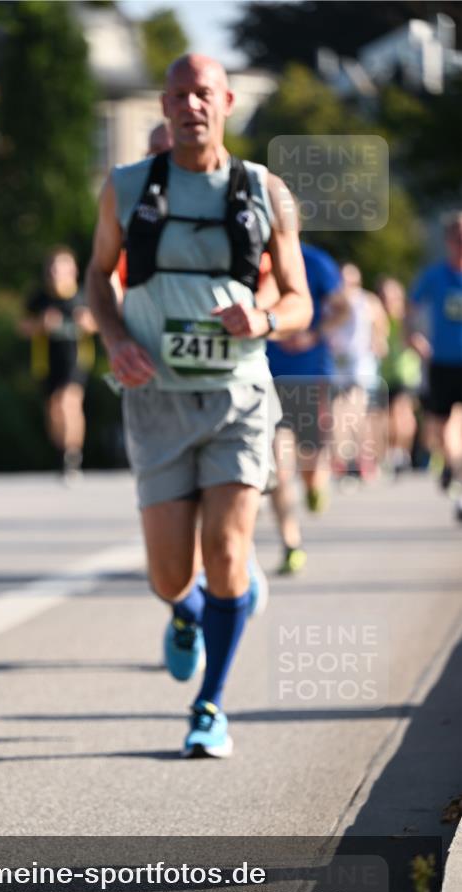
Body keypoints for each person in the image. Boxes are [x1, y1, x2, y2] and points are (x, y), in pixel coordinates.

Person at [86, 54, 312, 758]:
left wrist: (264, 322)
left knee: (227, 552)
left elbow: (300, 300)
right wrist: (116, 337)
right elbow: (97, 277)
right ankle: (186, 613)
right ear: (164, 103)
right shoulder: (125, 188)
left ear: (227, 101)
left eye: (204, 94)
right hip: (154, 399)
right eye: (179, 94)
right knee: (168, 576)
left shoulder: (264, 192)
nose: (192, 105)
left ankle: (209, 705)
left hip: (236, 397)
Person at [261, 242, 347, 574]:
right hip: (266, 376)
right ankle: (290, 543)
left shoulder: (316, 261)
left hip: (309, 375)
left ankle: (314, 486)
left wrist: (313, 335)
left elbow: (342, 309)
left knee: (309, 460)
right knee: (278, 466)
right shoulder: (253, 258)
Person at [22, 247, 96, 481]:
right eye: (53, 267)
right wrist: (40, 325)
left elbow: (100, 324)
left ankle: (73, 455)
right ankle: (62, 453)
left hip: (76, 360)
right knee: (54, 410)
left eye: (62, 267)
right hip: (46, 362)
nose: (57, 272)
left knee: (69, 403)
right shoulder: (39, 297)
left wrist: (89, 323)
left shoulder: (83, 296)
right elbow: (22, 327)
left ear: (73, 270)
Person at [407, 212, 462, 519]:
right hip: (442, 362)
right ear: (448, 241)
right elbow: (410, 308)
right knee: (439, 430)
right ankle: (451, 466)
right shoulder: (435, 275)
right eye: (456, 237)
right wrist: (412, 337)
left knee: (458, 426)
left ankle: (457, 478)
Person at [328, 263, 389, 480]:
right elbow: (324, 327)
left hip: (361, 363)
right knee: (337, 412)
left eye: (351, 280)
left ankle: (361, 458)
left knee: (355, 409)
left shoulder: (367, 301)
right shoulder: (332, 301)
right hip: (337, 363)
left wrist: (378, 340)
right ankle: (343, 458)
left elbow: (382, 324)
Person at [376, 276, 421, 475]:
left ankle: (401, 452)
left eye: (392, 296)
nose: (388, 300)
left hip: (406, 372)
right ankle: (394, 452)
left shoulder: (405, 318)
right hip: (385, 374)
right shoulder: (379, 318)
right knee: (387, 416)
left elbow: (414, 338)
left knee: (401, 411)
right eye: (384, 296)